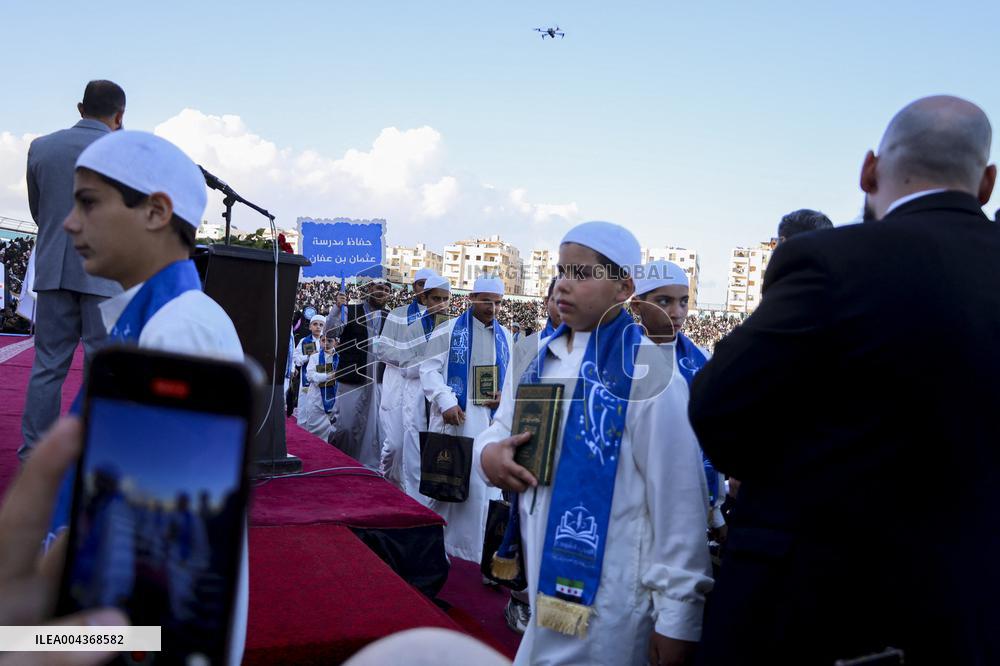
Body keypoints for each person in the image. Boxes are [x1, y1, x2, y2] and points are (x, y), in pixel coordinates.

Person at [689, 96, 999, 665]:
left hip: (816, 608)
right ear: (986, 183)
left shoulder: (831, 260)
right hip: (972, 613)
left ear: (869, 170)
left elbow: (718, 405)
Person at [475, 222, 712, 666]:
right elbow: (499, 427)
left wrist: (679, 619)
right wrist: (488, 454)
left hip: (615, 602)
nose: (564, 283)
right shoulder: (534, 356)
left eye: (582, 274)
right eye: (563, 269)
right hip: (543, 581)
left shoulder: (647, 371)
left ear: (623, 286)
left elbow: (679, 503)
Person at [60, 130, 248, 664]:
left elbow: (158, 565)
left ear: (156, 211)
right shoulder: (164, 318)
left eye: (89, 202)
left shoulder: (177, 333)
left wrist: (31, 639)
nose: (71, 222)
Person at [20, 80, 126, 461]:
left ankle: (34, 454)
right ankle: (96, 451)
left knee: (48, 365)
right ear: (120, 115)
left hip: (54, 267)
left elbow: (39, 211)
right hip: (105, 273)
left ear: (80, 108)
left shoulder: (41, 147)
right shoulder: (125, 152)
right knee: (102, 366)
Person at [0, 418, 128, 666]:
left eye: (101, 479)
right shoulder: (98, 506)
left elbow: (114, 563)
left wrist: (104, 603)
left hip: (103, 599)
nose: (96, 482)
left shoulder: (115, 511)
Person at [631, 260, 726, 541]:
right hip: (627, 503)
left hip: (683, 505)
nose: (677, 312)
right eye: (664, 301)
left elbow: (708, 441)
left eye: (683, 302)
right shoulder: (616, 359)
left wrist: (715, 513)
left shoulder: (701, 362)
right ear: (637, 306)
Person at [420, 276, 512, 563]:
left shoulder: (506, 336)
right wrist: (446, 401)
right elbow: (429, 370)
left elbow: (512, 379)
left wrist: (503, 396)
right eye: (486, 301)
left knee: (486, 488)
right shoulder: (448, 330)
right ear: (472, 298)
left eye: (497, 303)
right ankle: (442, 549)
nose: (492, 308)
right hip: (458, 417)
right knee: (452, 483)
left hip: (491, 420)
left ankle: (478, 553)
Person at [379, 274, 452, 504]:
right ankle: (409, 499)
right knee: (405, 450)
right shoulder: (408, 322)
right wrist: (430, 363)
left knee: (435, 456)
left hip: (439, 396)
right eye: (435, 298)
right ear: (424, 296)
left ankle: (429, 505)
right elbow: (405, 365)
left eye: (445, 298)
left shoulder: (453, 326)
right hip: (411, 392)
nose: (440, 304)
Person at [375, 267, 437, 487]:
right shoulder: (398, 314)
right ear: (414, 287)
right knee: (394, 444)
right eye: (421, 284)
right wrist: (413, 359)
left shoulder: (442, 318)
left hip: (424, 388)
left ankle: (406, 492)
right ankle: (385, 478)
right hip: (396, 384)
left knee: (416, 448)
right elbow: (381, 350)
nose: (425, 289)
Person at [328, 277, 390, 467]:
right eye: (378, 287)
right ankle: (338, 461)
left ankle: (366, 467)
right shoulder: (350, 310)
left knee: (374, 428)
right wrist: (338, 309)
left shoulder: (391, 317)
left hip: (378, 379)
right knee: (346, 426)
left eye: (386, 289)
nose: (382, 291)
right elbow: (331, 332)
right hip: (353, 377)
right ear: (369, 288)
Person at [299, 331, 339, 440]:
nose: (326, 343)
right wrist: (328, 376)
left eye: (329, 341)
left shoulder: (339, 358)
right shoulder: (315, 357)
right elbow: (310, 376)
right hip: (316, 398)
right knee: (313, 432)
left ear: (336, 343)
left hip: (334, 399)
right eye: (323, 340)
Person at [292, 315, 324, 422]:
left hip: (323, 379)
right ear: (310, 327)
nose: (318, 327)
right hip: (306, 381)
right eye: (315, 324)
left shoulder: (328, 341)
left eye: (321, 325)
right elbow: (296, 359)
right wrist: (308, 357)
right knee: (304, 410)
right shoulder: (304, 341)